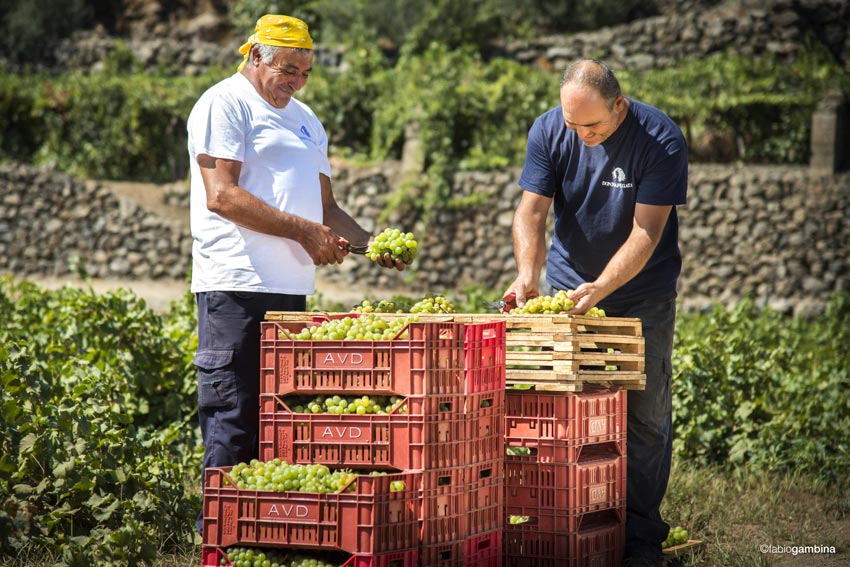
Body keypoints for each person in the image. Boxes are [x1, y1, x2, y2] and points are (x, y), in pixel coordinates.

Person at [186, 14, 403, 533]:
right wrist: (304, 233)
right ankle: (218, 535)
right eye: (287, 69)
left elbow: (325, 207)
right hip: (236, 286)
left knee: (278, 420)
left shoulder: (305, 117)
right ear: (255, 57)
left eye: (304, 72)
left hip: (290, 291)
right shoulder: (224, 103)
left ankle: (264, 531)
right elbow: (222, 195)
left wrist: (373, 244)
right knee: (234, 415)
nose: (295, 81)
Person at [504, 59, 688, 567]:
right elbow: (532, 211)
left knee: (645, 412)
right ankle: (568, 523)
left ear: (619, 106)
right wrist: (527, 275)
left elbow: (647, 231)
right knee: (565, 411)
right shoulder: (549, 129)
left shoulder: (660, 140)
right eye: (572, 124)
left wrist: (604, 286)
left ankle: (641, 538)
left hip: (640, 293)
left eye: (594, 126)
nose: (582, 135)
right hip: (568, 288)